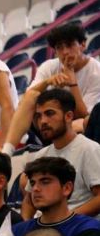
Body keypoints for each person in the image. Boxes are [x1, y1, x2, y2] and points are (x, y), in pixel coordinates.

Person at [20, 89, 100, 219]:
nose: (43, 121)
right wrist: (26, 225)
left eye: (49, 113)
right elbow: (29, 201)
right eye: (39, 116)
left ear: (68, 116)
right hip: (43, 226)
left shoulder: (89, 149)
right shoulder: (41, 155)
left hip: (77, 226)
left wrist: (65, 220)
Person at [29, 23, 100, 123]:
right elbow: (27, 99)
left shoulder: (97, 71)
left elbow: (84, 117)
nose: (65, 52)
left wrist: (72, 82)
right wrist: (47, 82)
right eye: (59, 47)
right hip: (52, 123)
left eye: (69, 45)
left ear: (83, 45)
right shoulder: (48, 67)